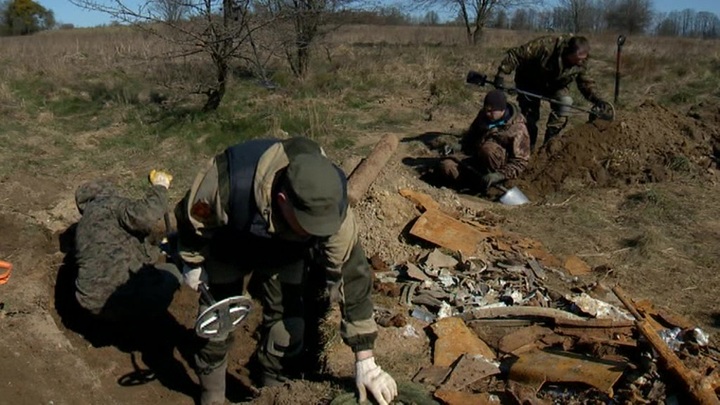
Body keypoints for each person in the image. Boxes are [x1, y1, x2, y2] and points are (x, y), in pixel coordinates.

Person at [174, 136, 398, 405]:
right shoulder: (227, 183)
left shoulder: (332, 206)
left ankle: (274, 390)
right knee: (217, 323)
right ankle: (212, 393)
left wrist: (366, 360)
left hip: (286, 253)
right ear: (283, 200)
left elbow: (352, 274)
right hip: (230, 243)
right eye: (308, 225)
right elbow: (192, 218)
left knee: (288, 324)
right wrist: (192, 262)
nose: (317, 232)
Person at [74, 170, 181, 323]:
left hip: (91, 303)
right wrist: (160, 187)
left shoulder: (84, 225)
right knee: (173, 272)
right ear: (108, 192)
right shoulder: (111, 205)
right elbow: (147, 215)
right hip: (127, 299)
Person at [492, 35, 611, 149]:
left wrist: (598, 99)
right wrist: (501, 74)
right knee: (530, 120)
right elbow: (517, 54)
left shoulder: (582, 62)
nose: (580, 62)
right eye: (578, 59)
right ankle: (528, 148)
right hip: (529, 81)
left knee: (565, 103)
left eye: (583, 59)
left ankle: (549, 145)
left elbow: (586, 82)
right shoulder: (546, 46)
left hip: (555, 85)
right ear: (569, 52)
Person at [439, 89, 530, 192]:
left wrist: (499, 175)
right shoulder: (483, 117)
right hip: (475, 161)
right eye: (486, 110)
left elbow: (520, 162)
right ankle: (470, 186)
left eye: (491, 111)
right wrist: (457, 146)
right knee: (447, 166)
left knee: (488, 149)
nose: (487, 113)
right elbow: (471, 138)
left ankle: (490, 187)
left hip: (499, 169)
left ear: (502, 109)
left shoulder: (518, 128)